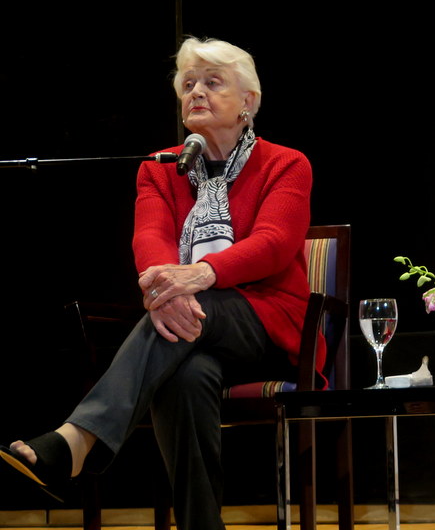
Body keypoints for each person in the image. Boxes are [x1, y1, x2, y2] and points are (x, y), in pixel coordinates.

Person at [0, 37, 319, 530]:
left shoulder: (286, 163)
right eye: (188, 84)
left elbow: (276, 242)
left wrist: (200, 274)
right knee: (184, 378)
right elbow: (149, 238)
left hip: (270, 324)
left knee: (180, 322)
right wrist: (163, 288)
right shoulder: (160, 165)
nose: (197, 92)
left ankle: (77, 439)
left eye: (213, 83)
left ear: (248, 103)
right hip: (190, 325)